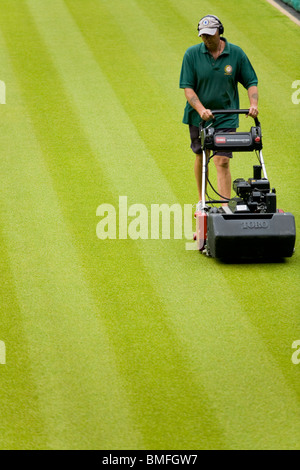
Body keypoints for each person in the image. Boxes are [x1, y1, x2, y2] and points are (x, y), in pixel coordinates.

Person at [179, 15, 259, 209]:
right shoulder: (191, 54)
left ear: (219, 32)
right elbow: (188, 89)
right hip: (198, 117)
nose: (206, 39)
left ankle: (224, 205)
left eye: (210, 35)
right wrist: (200, 109)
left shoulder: (236, 54)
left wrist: (253, 104)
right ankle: (202, 201)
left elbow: (251, 82)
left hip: (227, 117)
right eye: (203, 36)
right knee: (202, 155)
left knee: (222, 160)